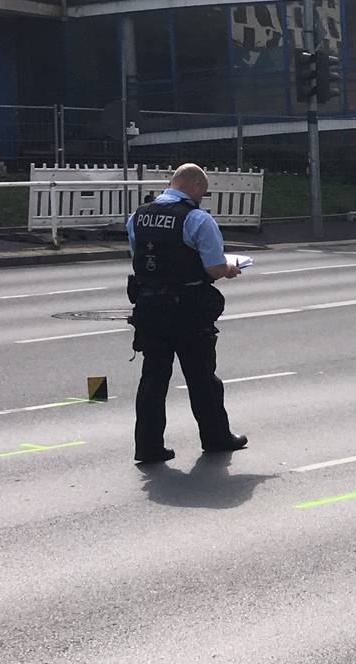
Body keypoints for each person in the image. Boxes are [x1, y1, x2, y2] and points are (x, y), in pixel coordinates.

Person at [127, 163, 249, 464]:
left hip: (149, 306)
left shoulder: (137, 217)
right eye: (203, 192)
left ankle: (148, 446)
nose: (202, 198)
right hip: (188, 308)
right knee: (201, 377)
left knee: (153, 378)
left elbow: (139, 257)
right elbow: (214, 268)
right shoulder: (197, 219)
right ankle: (216, 437)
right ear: (194, 186)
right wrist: (231, 269)